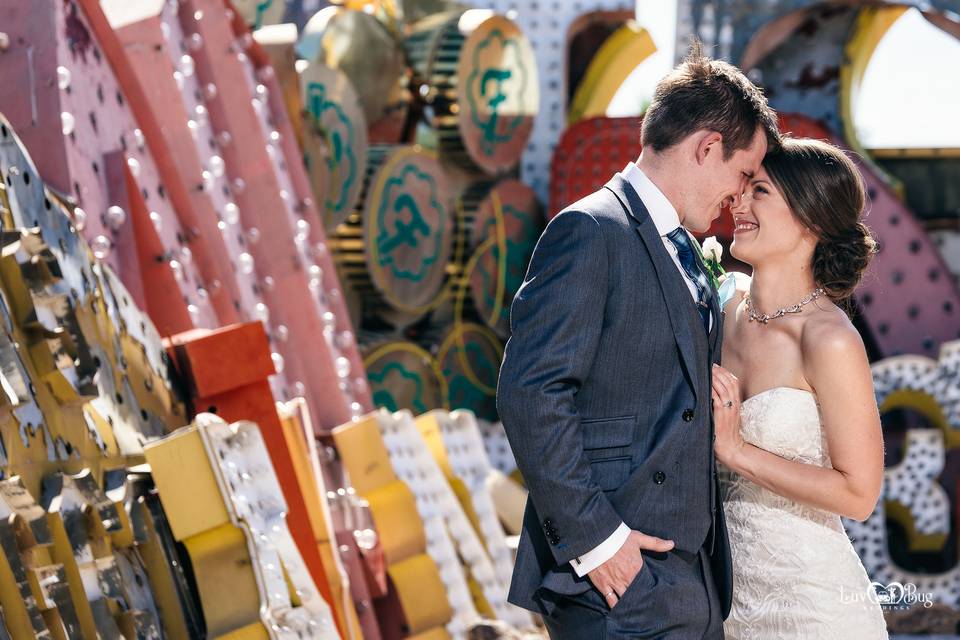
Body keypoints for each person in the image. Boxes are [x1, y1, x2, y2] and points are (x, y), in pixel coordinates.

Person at [496, 42, 779, 638]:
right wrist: (599, 542)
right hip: (617, 583)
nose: (739, 196)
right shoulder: (590, 228)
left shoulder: (682, 247)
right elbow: (531, 391)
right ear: (707, 147)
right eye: (743, 174)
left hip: (693, 582)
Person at [711, 137, 888, 638]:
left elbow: (859, 494)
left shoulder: (829, 340)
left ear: (809, 220)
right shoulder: (722, 307)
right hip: (724, 605)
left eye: (758, 191)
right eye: (742, 189)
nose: (736, 203)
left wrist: (738, 452)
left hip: (813, 609)